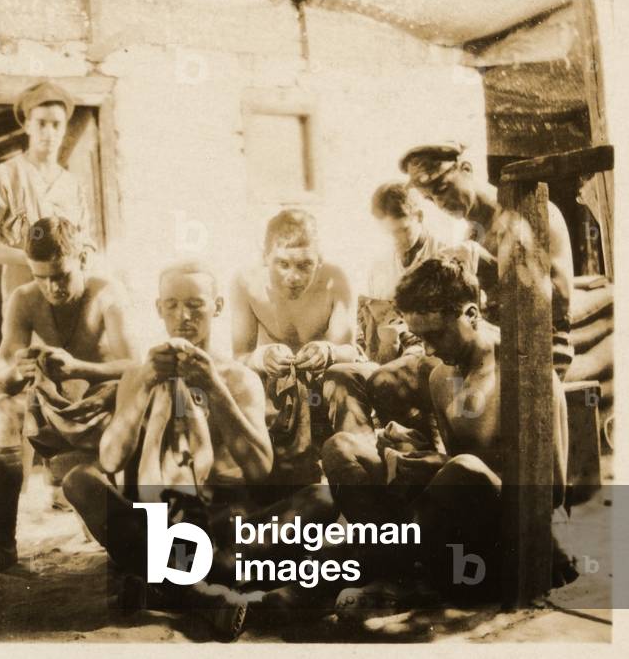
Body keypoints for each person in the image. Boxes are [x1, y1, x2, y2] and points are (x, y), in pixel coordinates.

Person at [322, 256, 573, 598]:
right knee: (341, 448)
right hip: (456, 526)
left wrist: (449, 469)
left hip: (516, 532)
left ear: (471, 314)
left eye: (436, 334)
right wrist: (417, 455)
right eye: (419, 337)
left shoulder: (525, 372)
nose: (427, 349)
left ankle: (387, 570)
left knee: (463, 471)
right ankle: (395, 565)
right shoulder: (441, 375)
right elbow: (454, 466)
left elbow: (551, 491)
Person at [62, 260, 279, 640]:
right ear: (158, 308)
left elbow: (260, 470)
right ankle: (197, 593)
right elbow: (111, 459)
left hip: (225, 525)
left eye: (196, 304)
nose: (184, 317)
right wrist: (144, 383)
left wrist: (213, 386)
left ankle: (161, 583)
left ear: (218, 306)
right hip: (161, 524)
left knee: (322, 500)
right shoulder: (140, 374)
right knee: (79, 481)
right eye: (173, 305)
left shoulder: (238, 378)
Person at [0, 216, 136, 572]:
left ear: (83, 259)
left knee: (100, 523)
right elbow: (0, 377)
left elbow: (135, 367)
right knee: (1, 410)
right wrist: (18, 371)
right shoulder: (24, 299)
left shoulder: (107, 292)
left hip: (104, 408)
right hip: (56, 408)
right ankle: (2, 542)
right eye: (41, 277)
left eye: (61, 276)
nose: (53, 288)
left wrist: (80, 368)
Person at [400, 141, 575, 379]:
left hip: (540, 351)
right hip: (490, 350)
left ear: (466, 169)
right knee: (389, 379)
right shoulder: (471, 233)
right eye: (429, 199)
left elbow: (558, 304)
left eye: (441, 189)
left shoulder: (529, 211)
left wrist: (488, 267)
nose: (439, 204)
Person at [229, 208, 360, 485]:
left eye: (304, 265)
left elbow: (350, 352)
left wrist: (329, 351)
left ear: (320, 260)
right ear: (265, 257)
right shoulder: (245, 283)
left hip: (325, 381)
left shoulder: (336, 279)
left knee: (344, 378)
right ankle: (269, 475)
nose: (294, 277)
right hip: (276, 384)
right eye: (283, 264)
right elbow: (239, 357)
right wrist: (261, 357)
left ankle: (355, 472)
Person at [321, 183, 460, 438]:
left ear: (418, 217)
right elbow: (377, 330)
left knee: (387, 379)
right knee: (340, 375)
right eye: (388, 234)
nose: (396, 241)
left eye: (402, 230)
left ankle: (410, 447)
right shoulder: (381, 266)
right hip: (389, 356)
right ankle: (362, 455)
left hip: (435, 357)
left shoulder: (446, 256)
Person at [0, 80, 93, 298]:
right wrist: (32, 261)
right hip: (23, 289)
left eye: (56, 124)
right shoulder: (5, 175)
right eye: (41, 123)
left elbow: (86, 241)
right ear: (27, 125)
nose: (49, 132)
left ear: (65, 127)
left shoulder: (72, 184)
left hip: (70, 291)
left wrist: (83, 258)